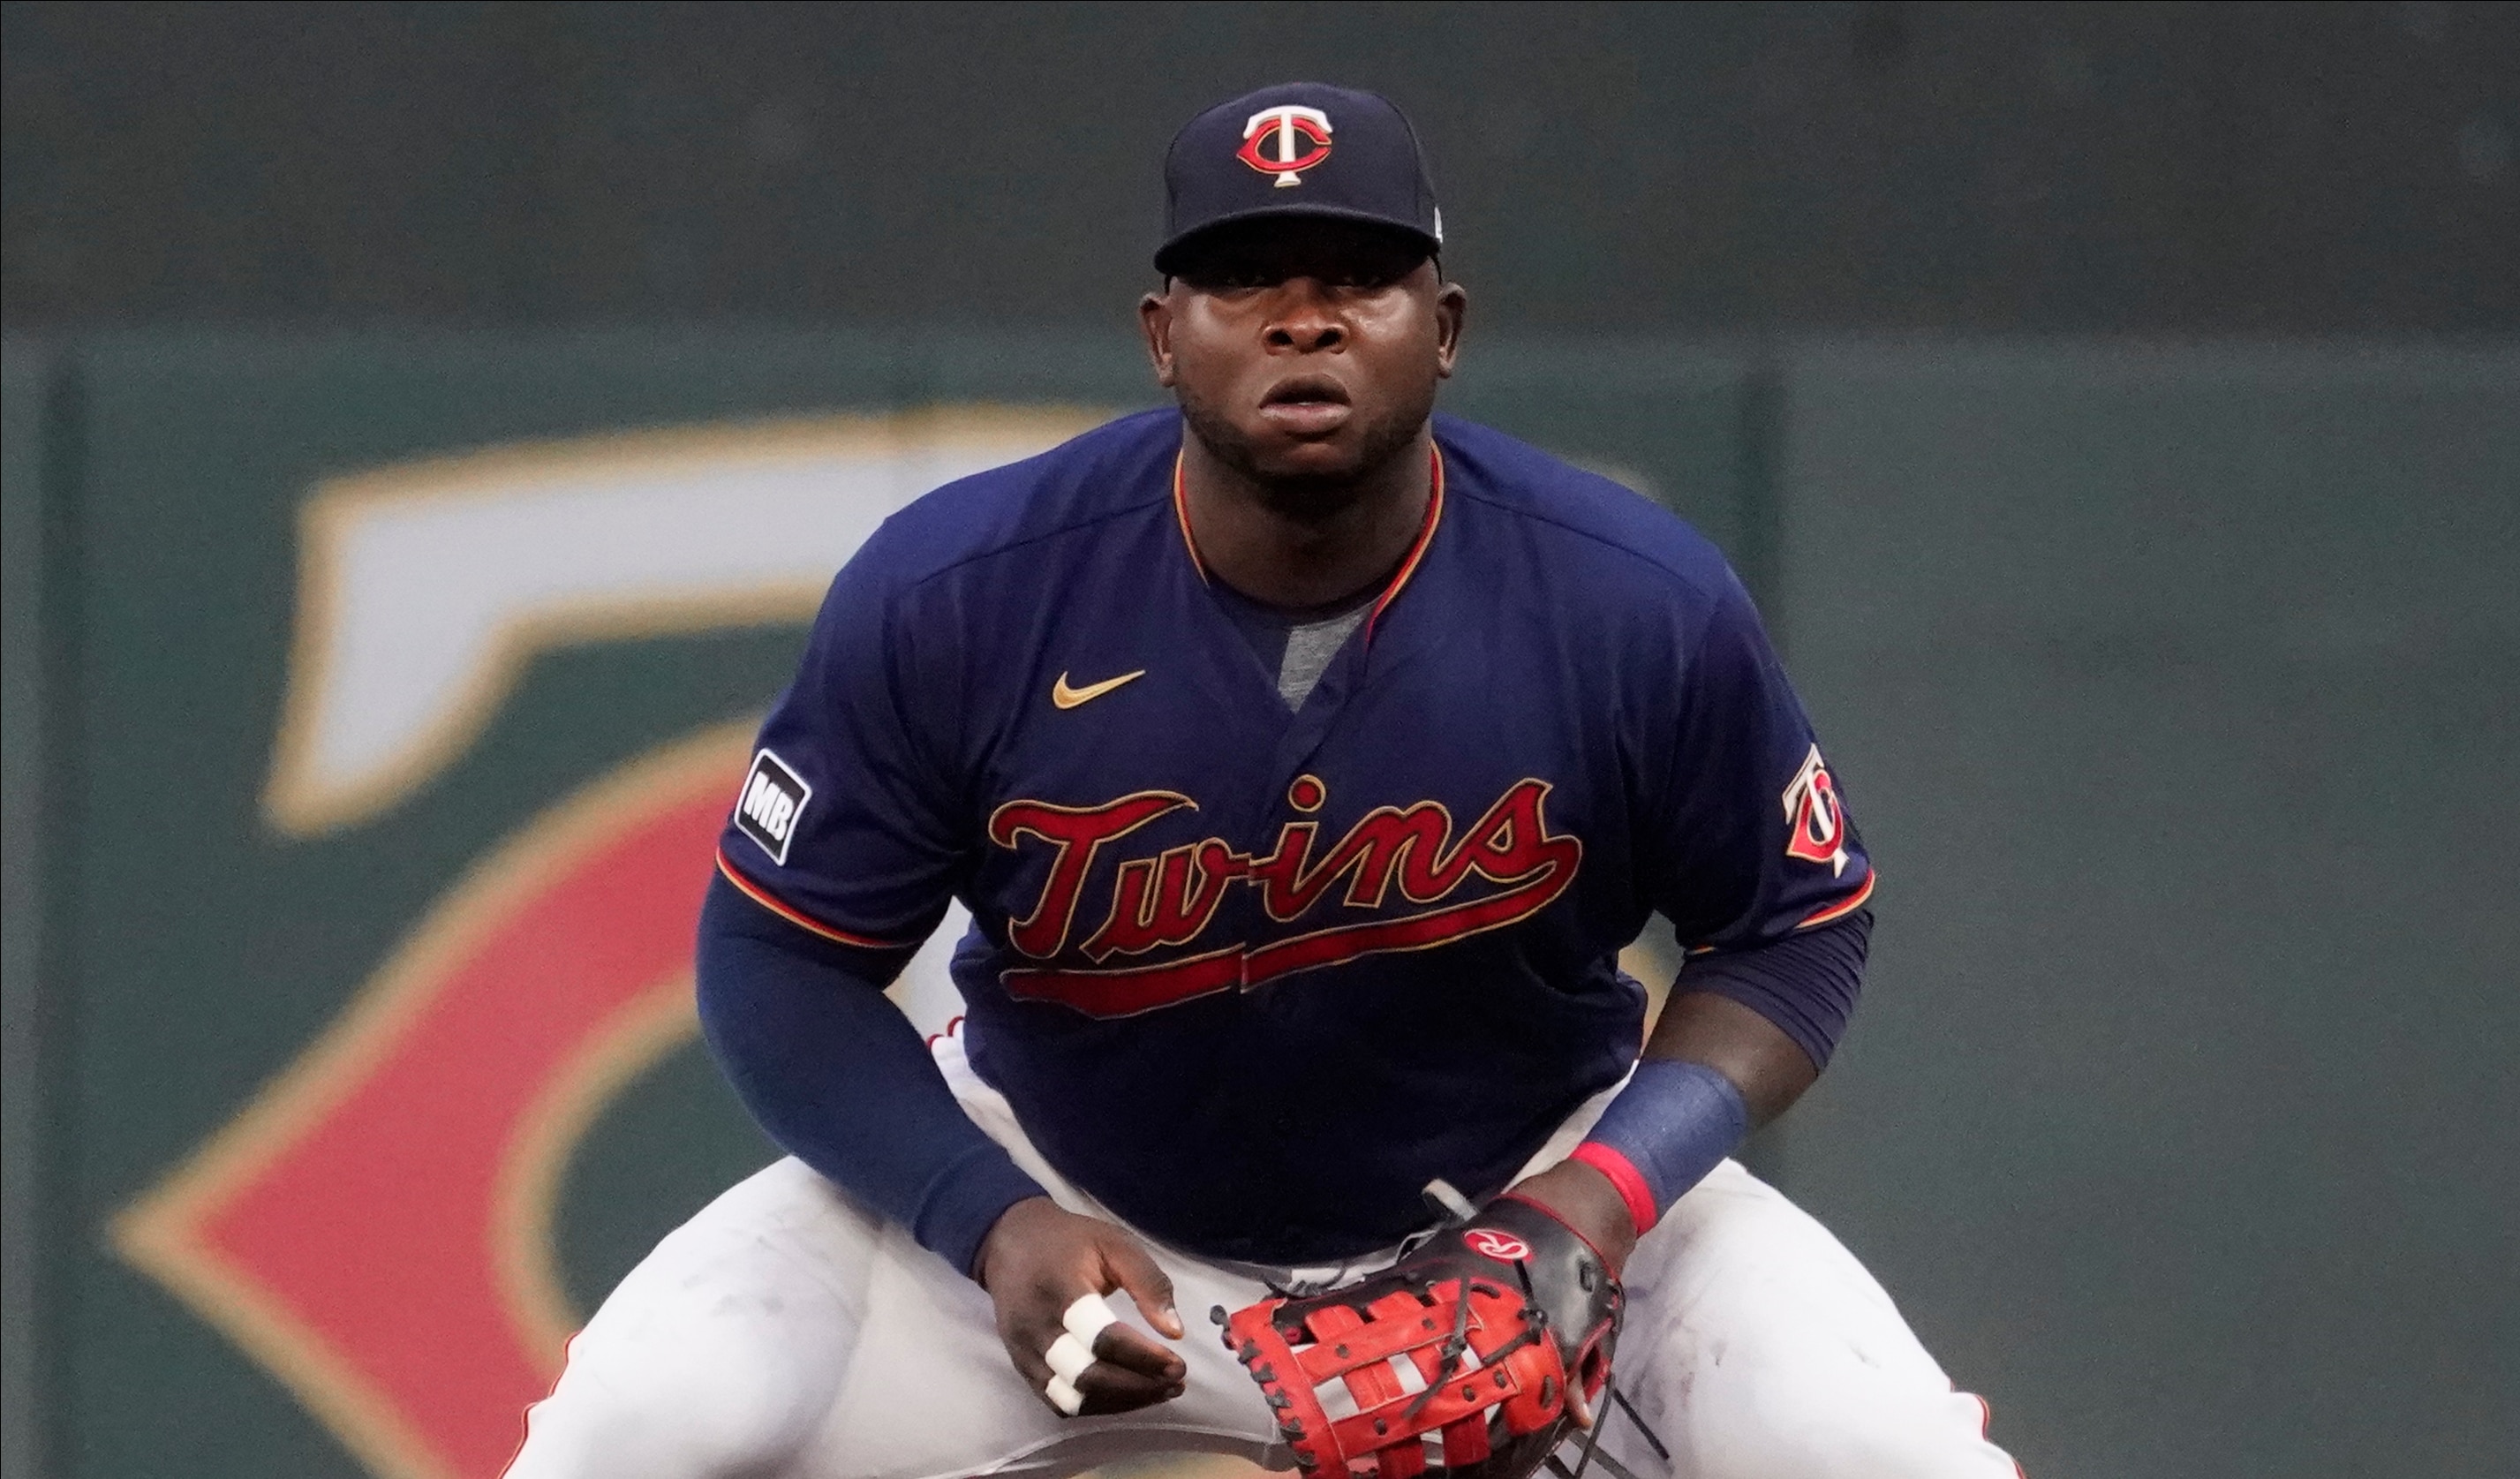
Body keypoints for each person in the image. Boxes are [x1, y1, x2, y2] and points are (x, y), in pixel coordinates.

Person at [506, 82, 2023, 1478]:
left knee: (1874, 1449)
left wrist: (1598, 1202)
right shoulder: (962, 591)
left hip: (1525, 1200)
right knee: (636, 1424)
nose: (1304, 321)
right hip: (1072, 1202)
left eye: (1358, 279)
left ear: (1443, 327)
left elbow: (1795, 929)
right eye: (1244, 281)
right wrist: (987, 1219)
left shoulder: (1627, 600)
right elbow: (776, 958)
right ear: (1163, 335)